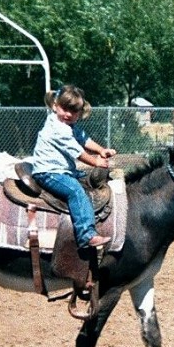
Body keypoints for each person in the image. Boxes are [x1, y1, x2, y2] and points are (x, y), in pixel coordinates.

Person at [30, 85, 117, 249]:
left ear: (80, 112)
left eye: (74, 111)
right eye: (65, 109)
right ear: (55, 106)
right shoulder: (57, 128)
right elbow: (76, 151)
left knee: (89, 180)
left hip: (63, 170)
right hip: (48, 172)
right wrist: (96, 161)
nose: (68, 114)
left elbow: (83, 139)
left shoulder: (68, 125)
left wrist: (101, 150)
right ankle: (86, 234)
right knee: (75, 191)